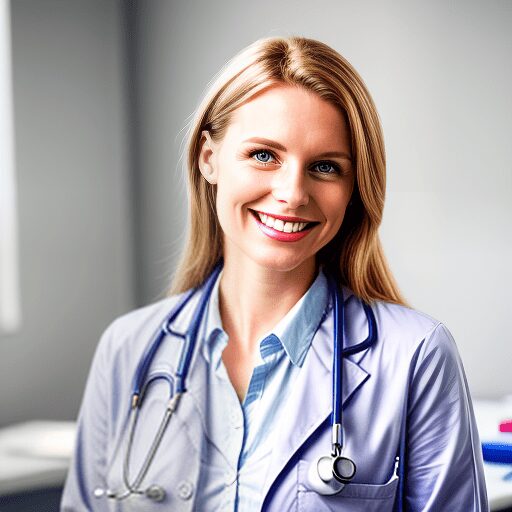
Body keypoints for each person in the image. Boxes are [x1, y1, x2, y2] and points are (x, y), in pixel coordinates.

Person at [61, 36, 488, 511]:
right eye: (264, 155)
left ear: (354, 189)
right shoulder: (128, 349)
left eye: (325, 167)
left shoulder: (417, 357)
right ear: (209, 158)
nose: (292, 193)